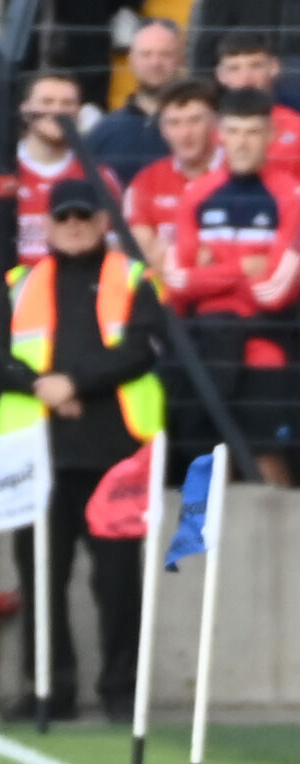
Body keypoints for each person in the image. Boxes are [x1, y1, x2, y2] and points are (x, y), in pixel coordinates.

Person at [0, 178, 167, 723]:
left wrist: (72, 383)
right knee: (40, 580)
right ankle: (49, 690)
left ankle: (121, 692)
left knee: (119, 582)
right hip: (39, 462)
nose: (76, 224)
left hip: (116, 460)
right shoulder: (18, 284)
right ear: (51, 225)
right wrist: (41, 386)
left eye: (85, 215)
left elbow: (142, 350)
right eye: (65, 217)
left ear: (105, 221)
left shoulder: (131, 279)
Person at [164, 87, 300, 485]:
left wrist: (211, 267)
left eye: (253, 132)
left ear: (271, 136)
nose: (242, 142)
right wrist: (246, 266)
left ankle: (281, 550)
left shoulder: (291, 197)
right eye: (235, 131)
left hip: (266, 349)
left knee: (268, 463)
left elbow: (274, 291)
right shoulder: (196, 193)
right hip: (206, 346)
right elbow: (177, 282)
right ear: (219, 133)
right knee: (206, 467)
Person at [0, 72, 121, 316]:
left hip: (80, 311)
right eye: (47, 102)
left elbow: (116, 253)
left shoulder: (100, 178)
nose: (57, 111)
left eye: (67, 104)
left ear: (79, 112)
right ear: (26, 109)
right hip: (11, 309)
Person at [124, 79, 222, 272]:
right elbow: (144, 251)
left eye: (194, 121)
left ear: (215, 123)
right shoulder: (146, 181)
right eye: (174, 123)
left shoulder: (239, 176)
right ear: (162, 129)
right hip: (164, 294)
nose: (185, 133)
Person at [84, 19, 183, 187]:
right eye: (146, 54)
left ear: (181, 59)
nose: (155, 63)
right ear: (131, 59)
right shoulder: (104, 131)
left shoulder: (201, 127)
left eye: (165, 54)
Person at [213, 32, 300, 178]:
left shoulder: (296, 125)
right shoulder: (205, 126)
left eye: (256, 66)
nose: (246, 77)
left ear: (274, 67)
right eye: (234, 68)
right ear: (221, 75)